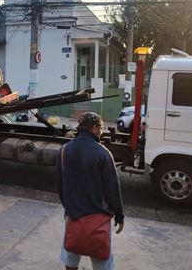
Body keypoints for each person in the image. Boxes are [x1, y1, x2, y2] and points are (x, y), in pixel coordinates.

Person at [56, 112, 124, 270]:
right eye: (100, 128)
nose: (102, 131)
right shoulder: (102, 153)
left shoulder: (64, 150)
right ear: (93, 128)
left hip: (73, 216)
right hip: (98, 218)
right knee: (102, 261)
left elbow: (60, 185)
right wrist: (119, 216)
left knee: (71, 257)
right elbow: (112, 189)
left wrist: (68, 208)